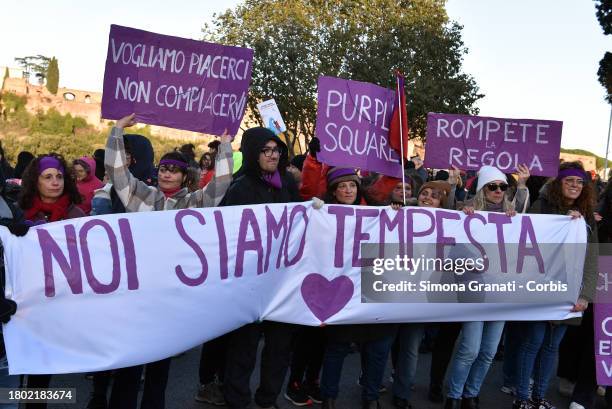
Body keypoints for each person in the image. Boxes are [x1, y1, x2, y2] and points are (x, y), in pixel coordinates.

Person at [104, 113, 233, 409]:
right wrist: (118, 130)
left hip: (169, 300)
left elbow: (222, 184)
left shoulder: (194, 203)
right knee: (129, 369)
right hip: (137, 296)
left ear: (184, 176)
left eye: (174, 170)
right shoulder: (141, 196)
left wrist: (225, 146)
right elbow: (117, 172)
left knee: (158, 373)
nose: (167, 174)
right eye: (163, 168)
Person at [221, 126, 301, 409]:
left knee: (279, 348)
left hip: (282, 281)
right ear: (253, 153)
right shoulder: (240, 187)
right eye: (266, 150)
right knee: (244, 347)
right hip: (251, 282)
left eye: (276, 150)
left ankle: (268, 398)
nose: (272, 155)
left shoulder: (289, 184)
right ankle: (237, 399)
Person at [444, 164, 530, 409]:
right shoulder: (468, 211)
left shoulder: (511, 215)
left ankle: (471, 394)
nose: (498, 191)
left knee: (489, 351)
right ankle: (454, 395)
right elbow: (448, 225)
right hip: (474, 290)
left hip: (501, 293)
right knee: (470, 349)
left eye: (503, 187)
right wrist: (454, 190)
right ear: (483, 188)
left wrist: (522, 184)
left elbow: (526, 214)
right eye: (493, 186)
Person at [513, 161, 597, 409]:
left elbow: (591, 259)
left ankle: (539, 397)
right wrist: (563, 222)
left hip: (571, 293)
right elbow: (526, 242)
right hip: (542, 288)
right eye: (569, 180)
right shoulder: (542, 208)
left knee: (552, 347)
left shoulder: (588, 217)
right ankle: (522, 397)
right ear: (559, 184)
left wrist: (586, 296)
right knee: (533, 343)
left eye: (580, 182)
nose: (575, 185)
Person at [18, 154, 85, 409]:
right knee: (12, 374)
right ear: (35, 181)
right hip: (19, 304)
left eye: (59, 177)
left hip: (52, 305)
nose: (55, 182)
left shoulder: (76, 215)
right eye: (48, 177)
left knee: (39, 376)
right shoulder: (18, 211)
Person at [391, 180, 452, 409]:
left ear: (441, 202)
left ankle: (402, 393)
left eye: (434, 196)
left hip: (420, 298)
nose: (427, 197)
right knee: (389, 343)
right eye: (424, 193)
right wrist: (394, 210)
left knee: (410, 346)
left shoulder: (450, 223)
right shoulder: (402, 214)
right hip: (393, 292)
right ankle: (389, 380)